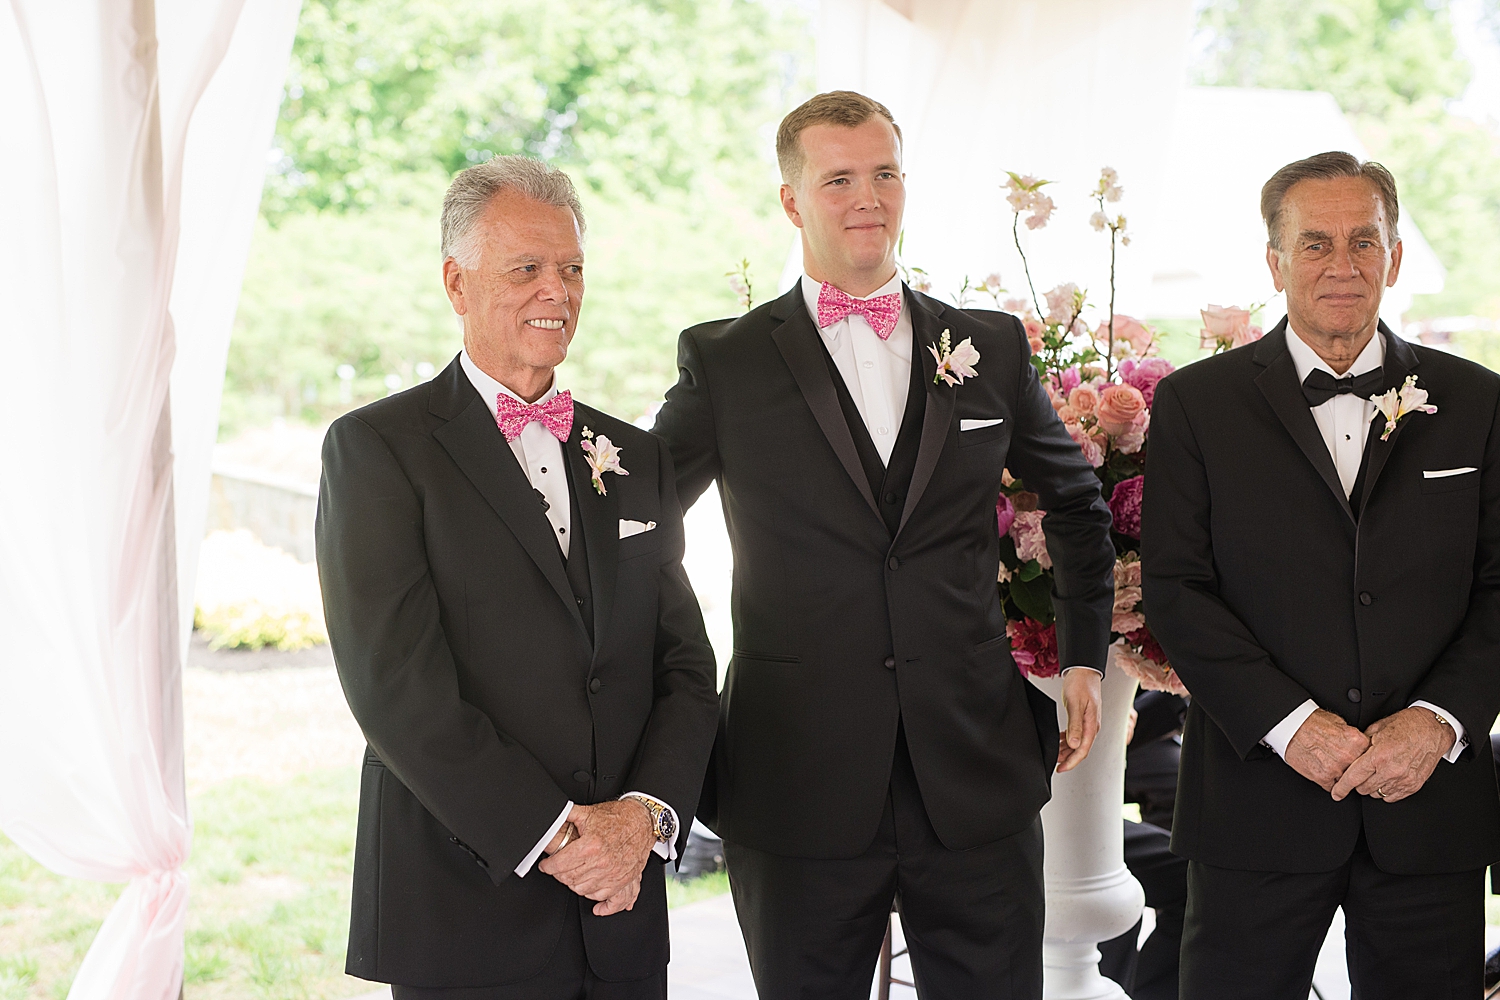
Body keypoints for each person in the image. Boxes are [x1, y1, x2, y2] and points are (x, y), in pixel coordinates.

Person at [652, 90, 1117, 999]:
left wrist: (1086, 661)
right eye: (838, 179)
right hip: (796, 774)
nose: (868, 197)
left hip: (977, 767)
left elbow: (1077, 501)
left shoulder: (991, 344)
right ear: (792, 201)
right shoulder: (728, 361)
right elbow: (638, 525)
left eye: (885, 173)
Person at [316, 155, 719, 1000]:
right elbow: (396, 689)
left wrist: (641, 821)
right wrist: (564, 841)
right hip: (465, 912)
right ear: (457, 284)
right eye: (527, 268)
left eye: (572, 268)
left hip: (622, 912)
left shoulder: (633, 456)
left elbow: (682, 665)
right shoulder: (378, 451)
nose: (557, 291)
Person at [1141, 150, 1500, 999]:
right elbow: (1177, 590)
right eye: (1314, 244)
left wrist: (1436, 723)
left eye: (1364, 241)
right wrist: (1293, 724)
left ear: (1396, 255)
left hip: (1430, 810)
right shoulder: (1196, 405)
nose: (1343, 266)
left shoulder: (1480, 402)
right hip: (1255, 802)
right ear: (1274, 262)